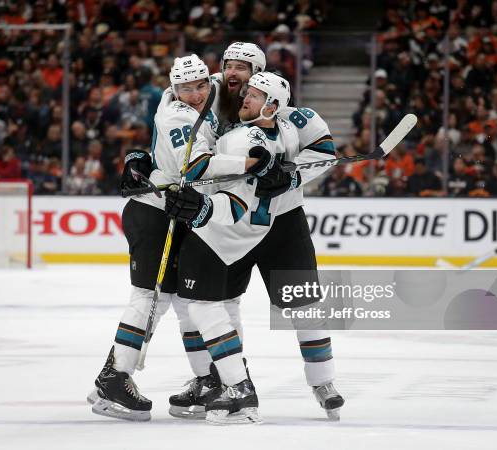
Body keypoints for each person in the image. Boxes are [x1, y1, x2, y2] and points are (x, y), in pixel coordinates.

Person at [166, 43, 345, 422]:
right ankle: (223, 380)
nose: (233, 74)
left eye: (243, 68)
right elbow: (178, 130)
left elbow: (324, 152)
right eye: (228, 65)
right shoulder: (209, 106)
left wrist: (291, 173)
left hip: (280, 221)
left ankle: (322, 381)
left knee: (301, 303)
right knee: (222, 302)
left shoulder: (295, 118)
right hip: (234, 222)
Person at [88, 54, 273, 422]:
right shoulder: (178, 114)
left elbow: (236, 82)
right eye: (185, 89)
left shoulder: (218, 87)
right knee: (149, 296)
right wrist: (251, 165)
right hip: (153, 212)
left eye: (200, 86)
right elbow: (197, 166)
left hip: (169, 211)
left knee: (180, 300)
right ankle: (114, 376)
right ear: (173, 90)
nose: (195, 94)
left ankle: (201, 379)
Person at [165, 71, 299, 425]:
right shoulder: (285, 133)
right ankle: (222, 384)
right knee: (214, 308)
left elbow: (231, 199)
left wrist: (200, 207)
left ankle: (238, 388)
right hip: (245, 235)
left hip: (218, 235)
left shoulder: (240, 140)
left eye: (254, 96)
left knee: (203, 308)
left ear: (271, 105)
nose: (245, 99)